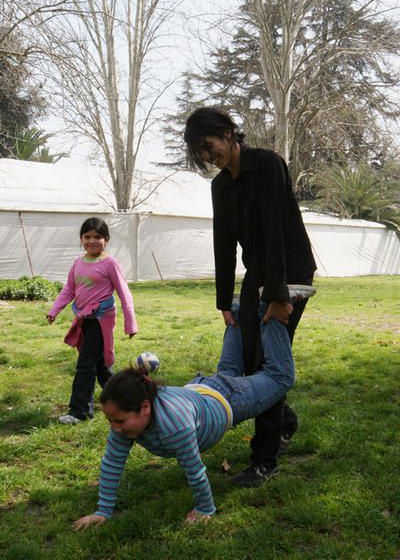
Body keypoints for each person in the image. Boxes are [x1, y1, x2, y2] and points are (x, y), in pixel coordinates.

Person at [184, 107, 317, 487]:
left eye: (209, 146)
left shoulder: (269, 165)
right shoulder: (220, 186)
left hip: (291, 273)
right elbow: (223, 243)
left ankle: (264, 461)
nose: (209, 158)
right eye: (201, 154)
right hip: (257, 273)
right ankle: (285, 422)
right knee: (245, 359)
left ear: (228, 133)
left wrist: (278, 297)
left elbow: (276, 230)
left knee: (267, 366)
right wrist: (224, 301)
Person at [73, 311, 295, 530]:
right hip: (202, 390)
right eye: (110, 420)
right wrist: (103, 511)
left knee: (280, 378)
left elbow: (194, 469)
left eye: (119, 421)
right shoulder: (125, 422)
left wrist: (205, 508)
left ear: (145, 407)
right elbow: (112, 463)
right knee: (228, 370)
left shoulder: (174, 426)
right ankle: (237, 312)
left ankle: (272, 313)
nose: (115, 428)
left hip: (229, 398)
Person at [47, 217, 138, 425]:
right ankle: (125, 401)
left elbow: (124, 293)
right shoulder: (78, 262)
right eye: (87, 237)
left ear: (106, 239)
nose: (92, 241)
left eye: (97, 237)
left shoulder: (110, 263)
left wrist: (130, 323)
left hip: (101, 320)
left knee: (85, 364)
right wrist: (54, 310)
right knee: (101, 366)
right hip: (83, 319)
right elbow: (69, 289)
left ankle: (79, 411)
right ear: (81, 239)